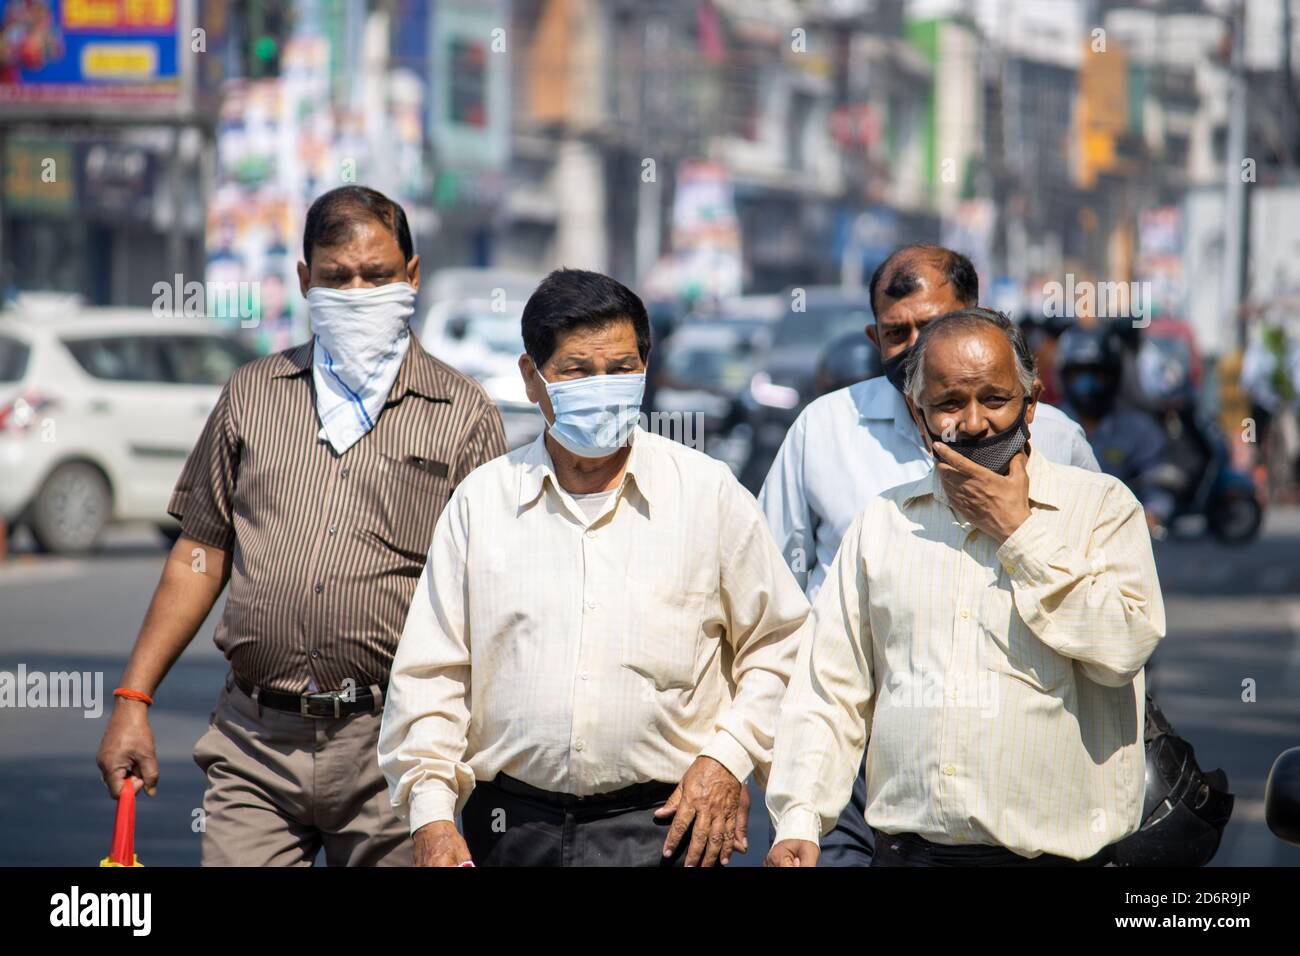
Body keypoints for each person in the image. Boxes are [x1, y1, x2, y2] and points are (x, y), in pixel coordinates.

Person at [95, 185, 507, 866]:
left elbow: (492, 591)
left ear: (412, 276)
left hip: (395, 745)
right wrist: (133, 699)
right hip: (255, 741)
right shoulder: (252, 395)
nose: (357, 292)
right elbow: (199, 555)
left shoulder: (462, 414)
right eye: (337, 278)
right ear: (305, 280)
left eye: (376, 277)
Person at [378, 268, 810, 867]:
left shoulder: (707, 496)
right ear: (533, 379)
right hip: (508, 830)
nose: (602, 386)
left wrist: (728, 758)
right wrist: (430, 817)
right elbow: (432, 676)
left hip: (665, 830)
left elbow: (782, 644)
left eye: (622, 369)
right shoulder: (483, 503)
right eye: (578, 370)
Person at [765, 307, 1165, 867]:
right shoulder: (883, 523)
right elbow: (829, 687)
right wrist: (801, 819)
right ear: (917, 410)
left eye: (995, 400)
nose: (973, 424)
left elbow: (1122, 647)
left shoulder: (1101, 510)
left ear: (1031, 404)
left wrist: (1018, 532)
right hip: (909, 854)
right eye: (950, 404)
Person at [1056, 324, 1176, 531]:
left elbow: (1158, 488)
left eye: (1097, 374)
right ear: (1065, 377)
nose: (1087, 384)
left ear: (1114, 376)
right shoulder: (1048, 425)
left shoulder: (1141, 431)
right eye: (1079, 374)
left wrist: (1151, 515)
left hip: (1118, 537)